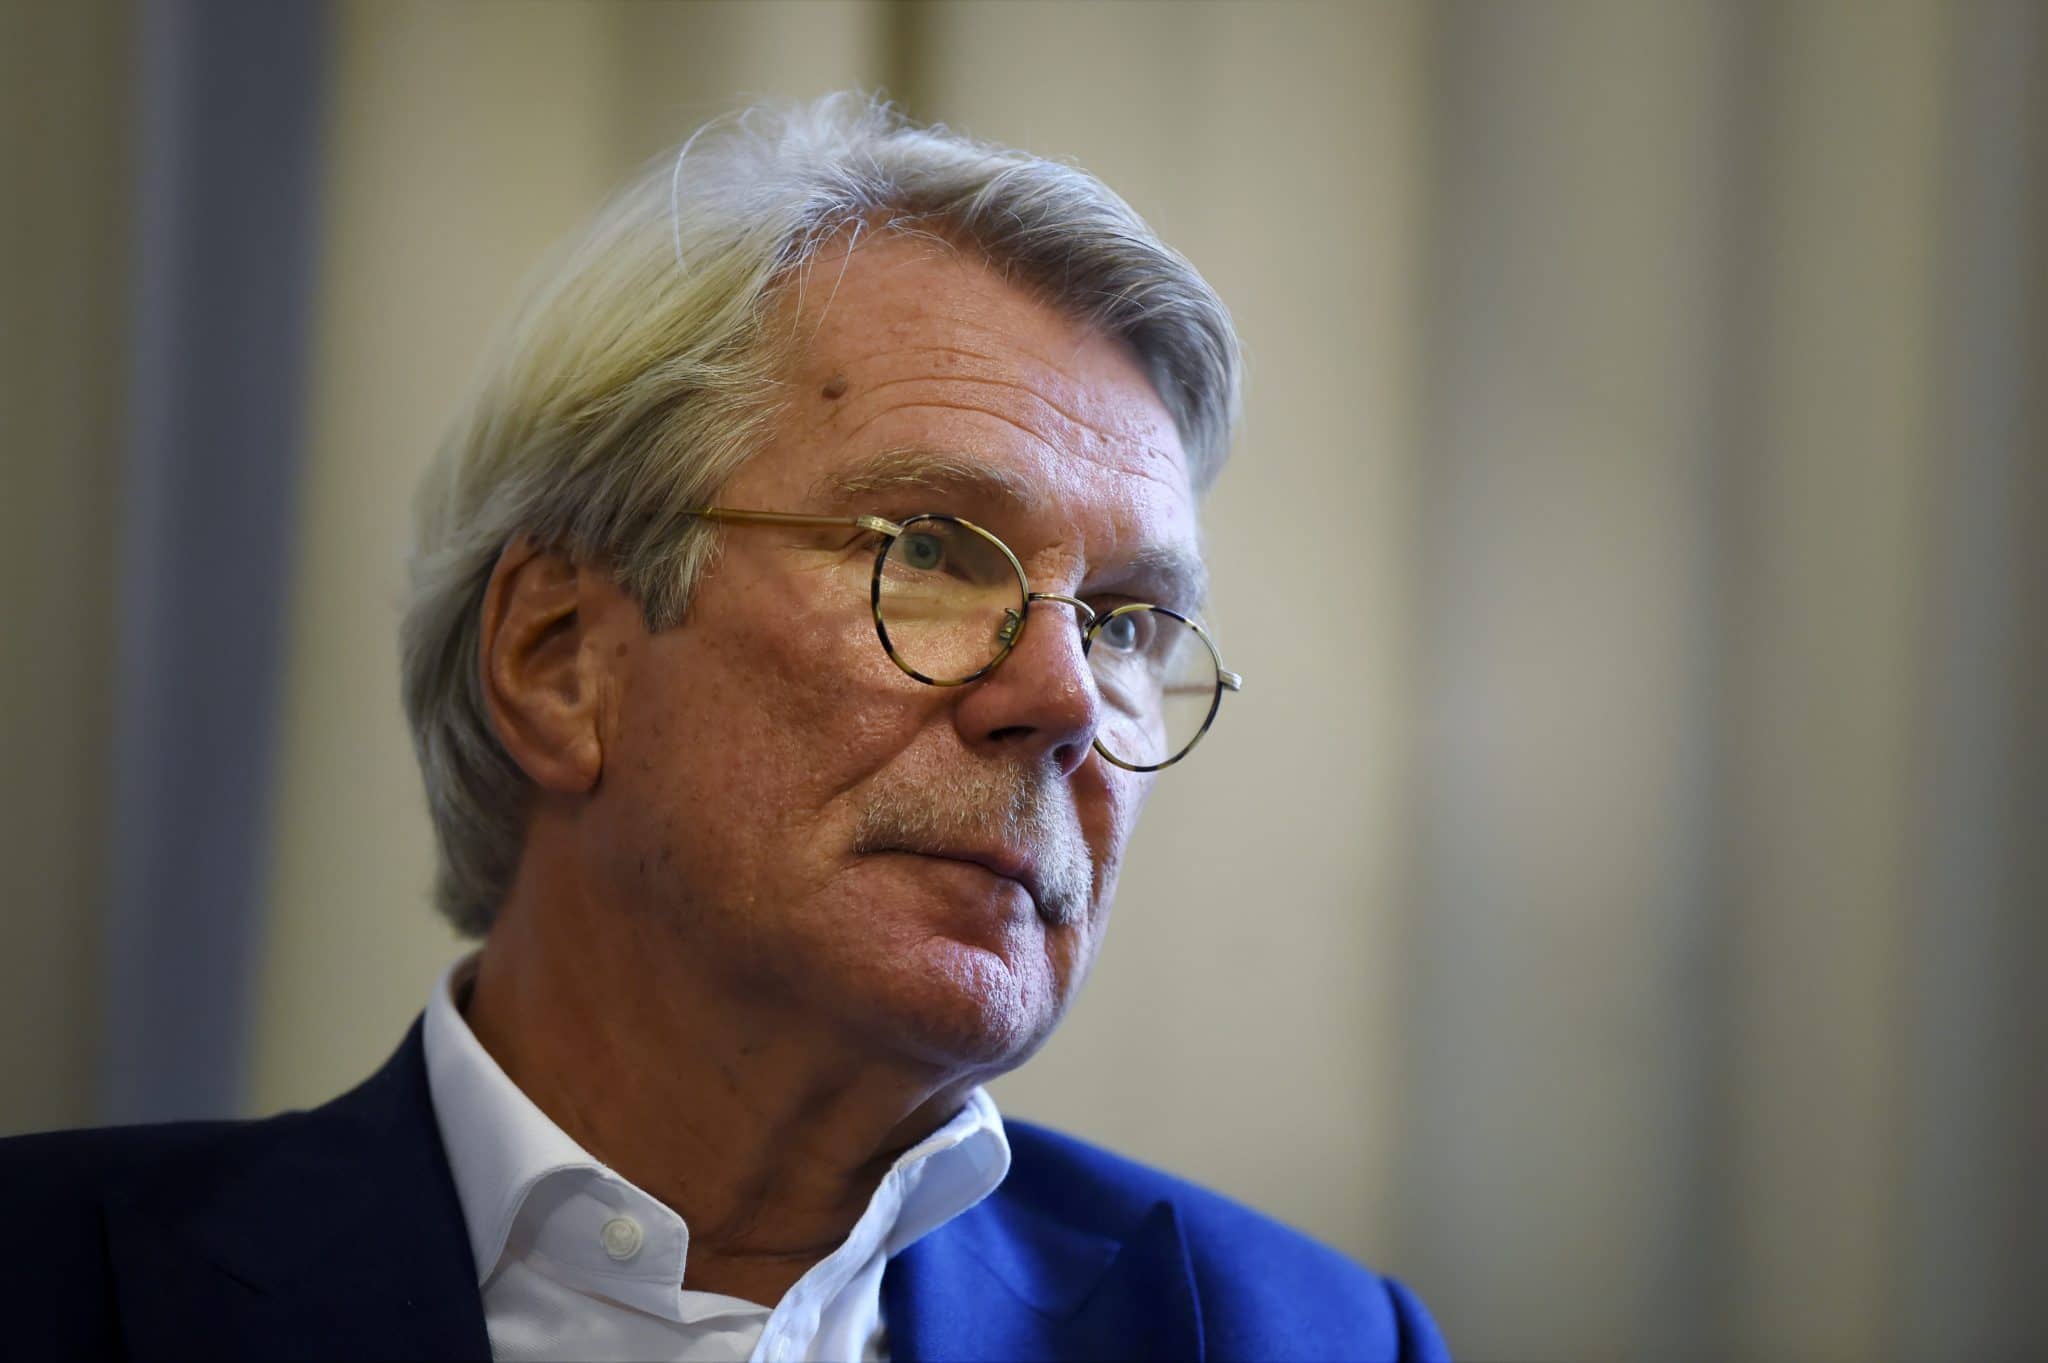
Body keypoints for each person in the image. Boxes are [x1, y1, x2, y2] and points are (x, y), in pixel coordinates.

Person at [4, 95, 1448, 1362]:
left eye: (1126, 623)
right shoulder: (46, 1286)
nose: (1066, 698)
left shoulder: (1308, 1341)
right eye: (931, 551)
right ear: (560, 661)